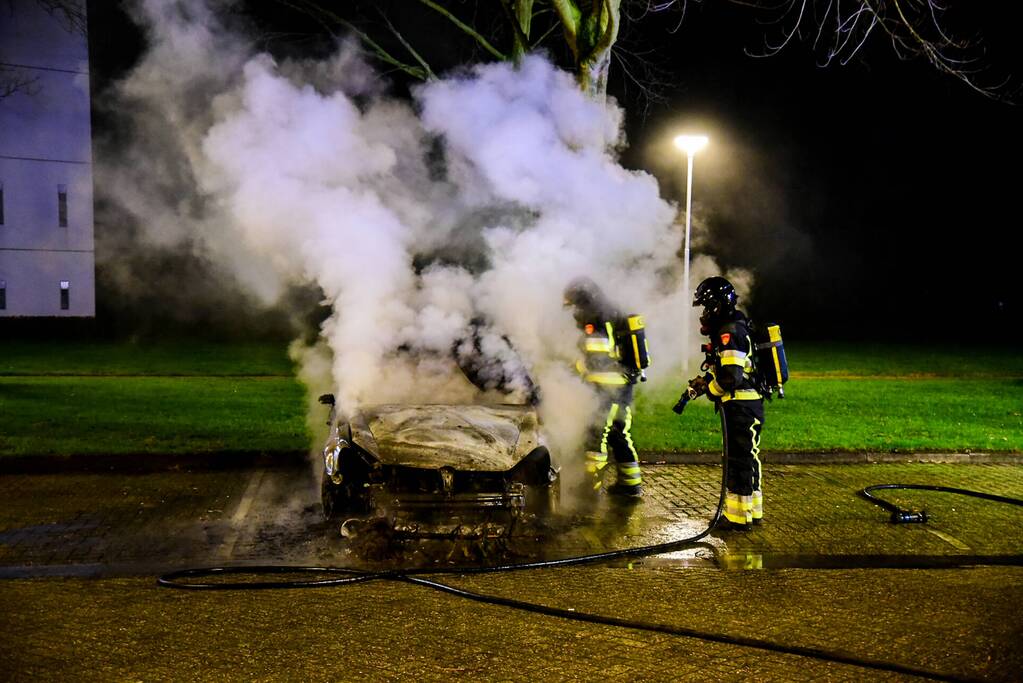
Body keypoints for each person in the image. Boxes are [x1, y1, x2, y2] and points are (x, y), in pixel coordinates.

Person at [679, 276, 764, 530]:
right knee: (749, 457)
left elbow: (731, 378)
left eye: (707, 307)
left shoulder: (730, 331)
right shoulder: (732, 326)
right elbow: (727, 369)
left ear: (717, 305)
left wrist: (712, 391)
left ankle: (737, 518)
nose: (704, 313)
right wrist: (706, 381)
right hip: (746, 404)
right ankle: (752, 511)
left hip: (741, 406)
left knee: (739, 460)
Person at [563, 277, 644, 498]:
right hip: (624, 385)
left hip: (605, 386)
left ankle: (589, 489)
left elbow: (597, 357)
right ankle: (630, 484)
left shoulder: (595, 318)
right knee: (619, 434)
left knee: (595, 434)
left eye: (575, 305)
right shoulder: (615, 311)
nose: (574, 311)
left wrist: (576, 367)